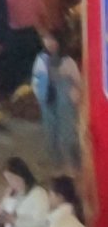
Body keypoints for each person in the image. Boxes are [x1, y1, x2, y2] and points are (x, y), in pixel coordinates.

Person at [33, 27, 83, 172]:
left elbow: (78, 83)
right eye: (46, 39)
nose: (49, 43)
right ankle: (57, 164)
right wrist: (40, 95)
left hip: (65, 104)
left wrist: (75, 94)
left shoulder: (68, 61)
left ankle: (74, 164)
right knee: (51, 133)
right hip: (48, 102)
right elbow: (36, 80)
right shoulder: (41, 60)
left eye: (52, 39)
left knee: (68, 134)